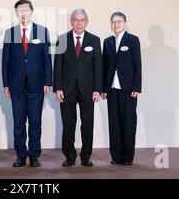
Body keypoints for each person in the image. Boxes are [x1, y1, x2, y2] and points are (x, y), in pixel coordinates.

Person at [2, 0, 52, 167]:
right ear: (17, 13)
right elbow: (5, 61)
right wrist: (6, 84)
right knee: (18, 123)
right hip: (16, 86)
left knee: (35, 122)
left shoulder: (42, 31)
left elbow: (47, 59)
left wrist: (47, 81)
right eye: (19, 11)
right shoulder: (10, 33)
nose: (23, 13)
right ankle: (20, 156)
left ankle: (35, 155)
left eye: (25, 10)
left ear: (32, 12)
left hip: (37, 85)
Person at [53, 9, 102, 167]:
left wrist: (97, 89)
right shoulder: (62, 39)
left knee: (87, 124)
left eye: (82, 20)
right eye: (76, 20)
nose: (79, 23)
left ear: (87, 21)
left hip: (88, 90)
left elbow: (98, 67)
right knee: (68, 123)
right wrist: (58, 88)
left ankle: (86, 156)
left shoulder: (94, 40)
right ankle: (69, 156)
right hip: (67, 90)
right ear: (71, 21)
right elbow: (58, 66)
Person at [102, 11, 142, 165]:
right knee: (114, 123)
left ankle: (127, 157)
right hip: (112, 89)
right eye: (113, 22)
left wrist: (136, 87)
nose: (116, 24)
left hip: (128, 88)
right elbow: (105, 67)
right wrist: (104, 89)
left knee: (128, 122)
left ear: (125, 23)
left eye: (119, 21)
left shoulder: (132, 40)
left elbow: (137, 64)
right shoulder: (107, 42)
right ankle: (116, 156)